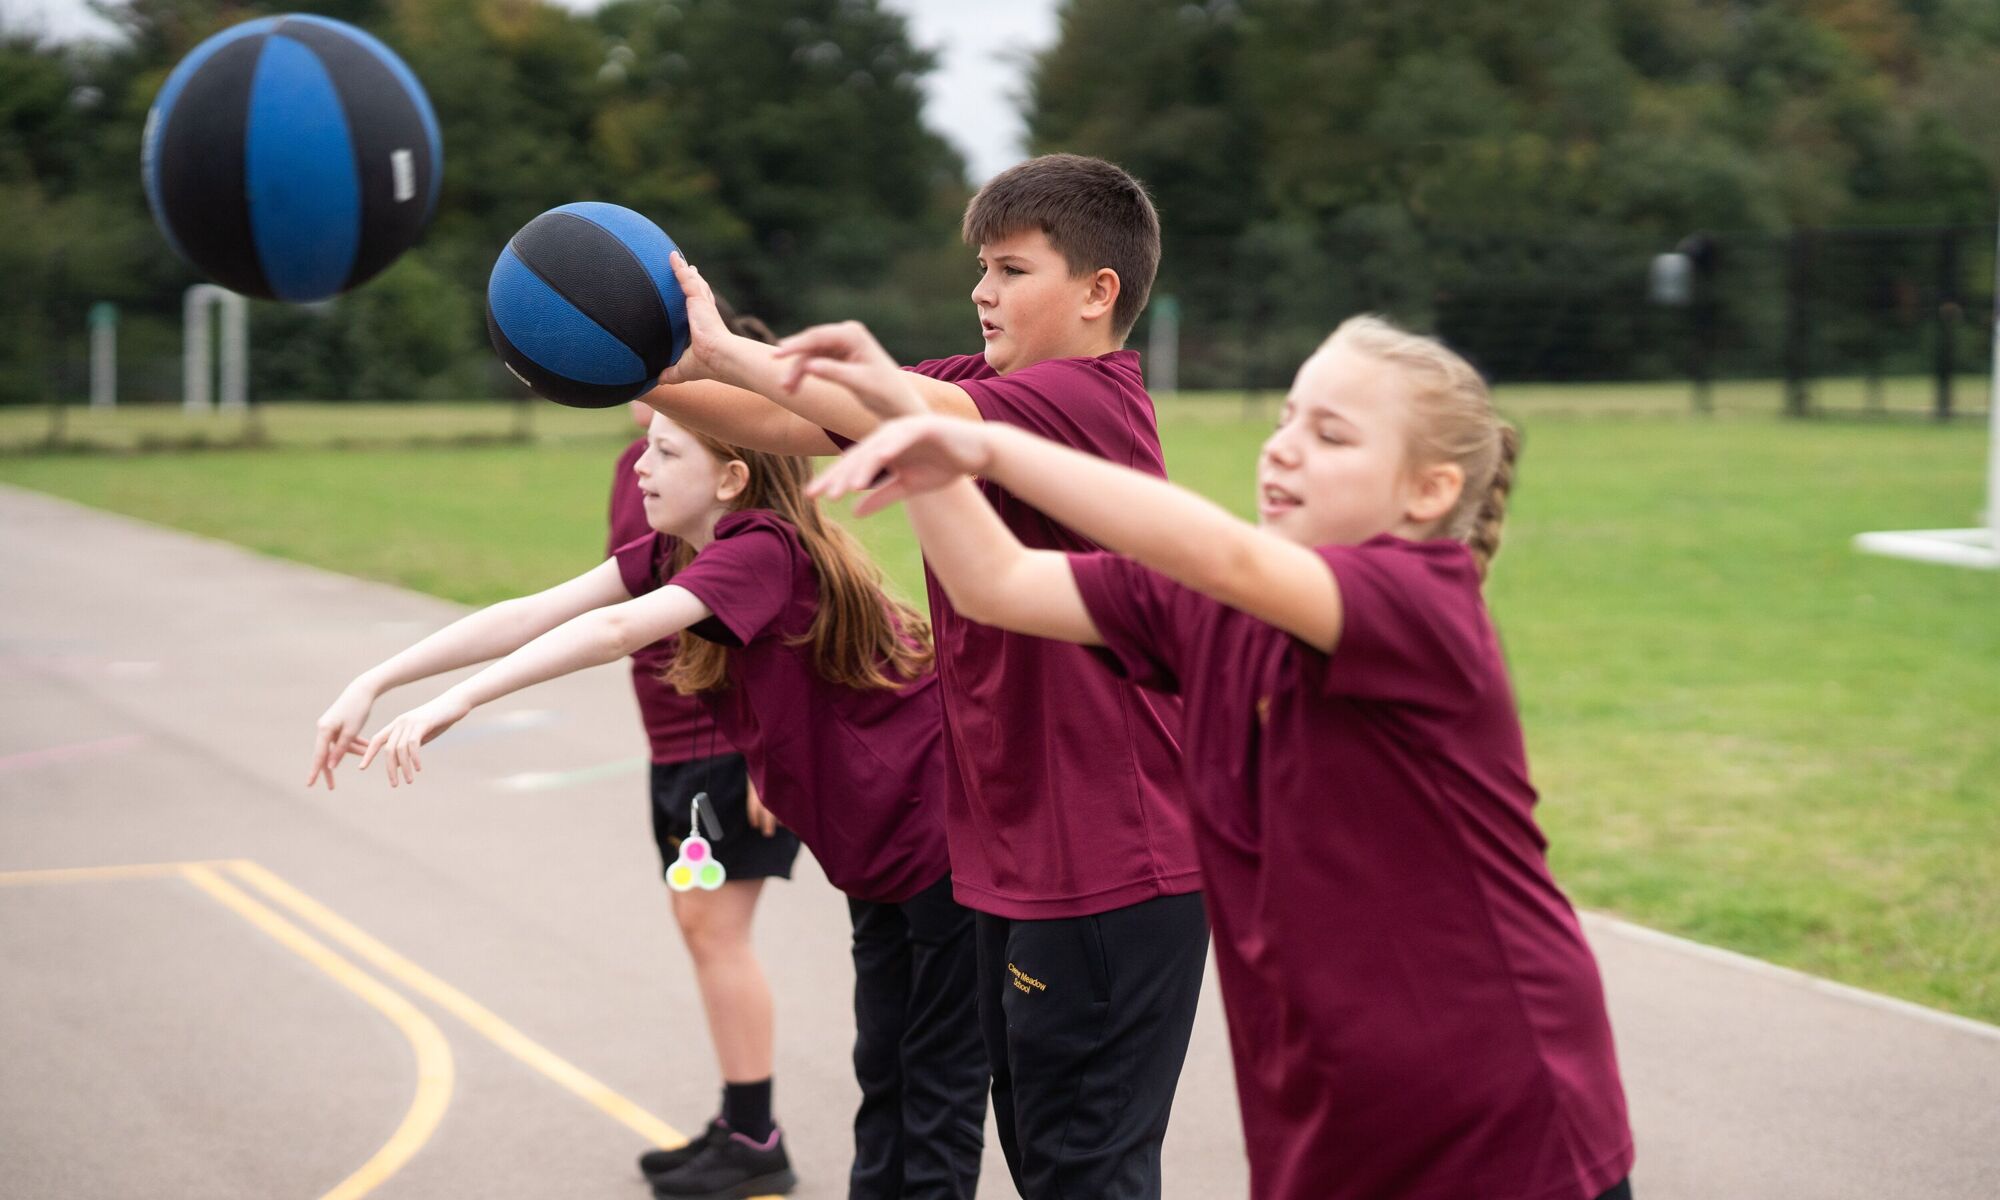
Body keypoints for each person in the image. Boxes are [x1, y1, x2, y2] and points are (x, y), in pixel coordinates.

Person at [792, 314, 1637, 1200]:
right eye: (1285, 420)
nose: (1285, 449)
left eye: (1330, 434)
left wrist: (983, 446)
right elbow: (996, 582)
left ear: (1428, 493)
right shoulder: (1220, 615)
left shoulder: (1425, 605)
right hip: (1333, 1104)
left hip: (1500, 1108)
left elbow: (1227, 554)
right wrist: (909, 431)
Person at [643, 154, 1206, 1200]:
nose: (981, 292)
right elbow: (780, 428)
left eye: (1010, 269)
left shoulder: (1086, 400)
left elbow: (899, 412)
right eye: (980, 269)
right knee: (1047, 1164)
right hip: (1018, 859)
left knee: (1086, 1172)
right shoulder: (971, 388)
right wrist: (624, 361)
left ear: (1098, 293)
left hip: (1111, 864)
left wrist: (723, 348)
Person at [306, 413, 985, 1200]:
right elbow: (534, 611)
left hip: (942, 839)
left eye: (667, 451)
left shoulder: (762, 547)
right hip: (880, 854)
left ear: (730, 479)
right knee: (889, 1068)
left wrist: (456, 702)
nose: (640, 468)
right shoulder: (675, 550)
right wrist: (377, 680)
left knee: (935, 1086)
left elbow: (617, 628)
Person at [609, 382, 801, 1190]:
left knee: (715, 931)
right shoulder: (642, 464)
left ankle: (755, 1138)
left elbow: (779, 614)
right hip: (677, 741)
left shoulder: (735, 478)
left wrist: (769, 753)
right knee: (700, 927)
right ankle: (740, 1119)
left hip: (723, 742)